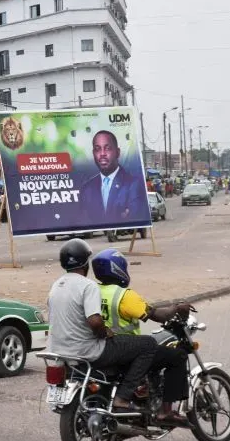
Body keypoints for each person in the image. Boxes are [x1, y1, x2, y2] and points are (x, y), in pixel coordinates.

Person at [46, 239, 187, 422]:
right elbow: (95, 322)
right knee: (149, 344)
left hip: (60, 350)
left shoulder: (56, 286)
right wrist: (105, 333)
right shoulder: (90, 287)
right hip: (90, 350)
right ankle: (123, 398)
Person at [91, 248, 191, 419]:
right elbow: (159, 316)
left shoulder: (92, 290)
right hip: (127, 350)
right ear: (118, 269)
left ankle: (144, 391)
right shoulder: (124, 296)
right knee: (177, 356)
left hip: (103, 348)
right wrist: (176, 307)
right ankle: (166, 411)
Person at [80, 131, 147, 223]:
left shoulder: (133, 184)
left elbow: (134, 216)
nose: (102, 153)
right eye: (97, 149)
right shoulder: (87, 189)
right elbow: (85, 220)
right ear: (93, 154)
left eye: (107, 148)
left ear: (118, 152)